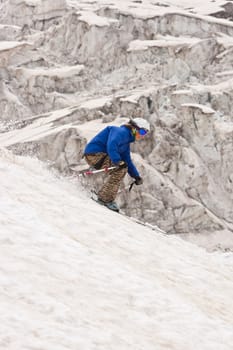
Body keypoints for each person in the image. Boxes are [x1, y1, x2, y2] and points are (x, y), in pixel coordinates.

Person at [83, 117, 150, 212]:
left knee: (123, 167)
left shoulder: (126, 142)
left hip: (100, 155)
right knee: (120, 169)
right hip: (94, 154)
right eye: (142, 132)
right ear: (135, 129)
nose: (142, 135)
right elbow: (111, 145)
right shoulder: (120, 132)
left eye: (145, 133)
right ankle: (105, 198)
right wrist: (117, 161)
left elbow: (127, 160)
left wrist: (136, 176)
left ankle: (105, 197)